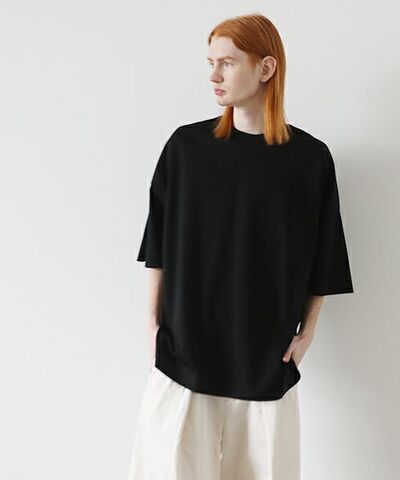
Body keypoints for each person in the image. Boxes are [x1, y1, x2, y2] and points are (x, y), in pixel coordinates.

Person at [126, 12, 354, 480]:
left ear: (266, 68)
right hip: (183, 357)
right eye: (210, 62)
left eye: (227, 63)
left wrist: (308, 333)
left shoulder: (309, 160)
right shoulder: (186, 149)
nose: (214, 75)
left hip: (264, 361)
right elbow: (158, 245)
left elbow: (325, 256)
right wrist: (151, 326)